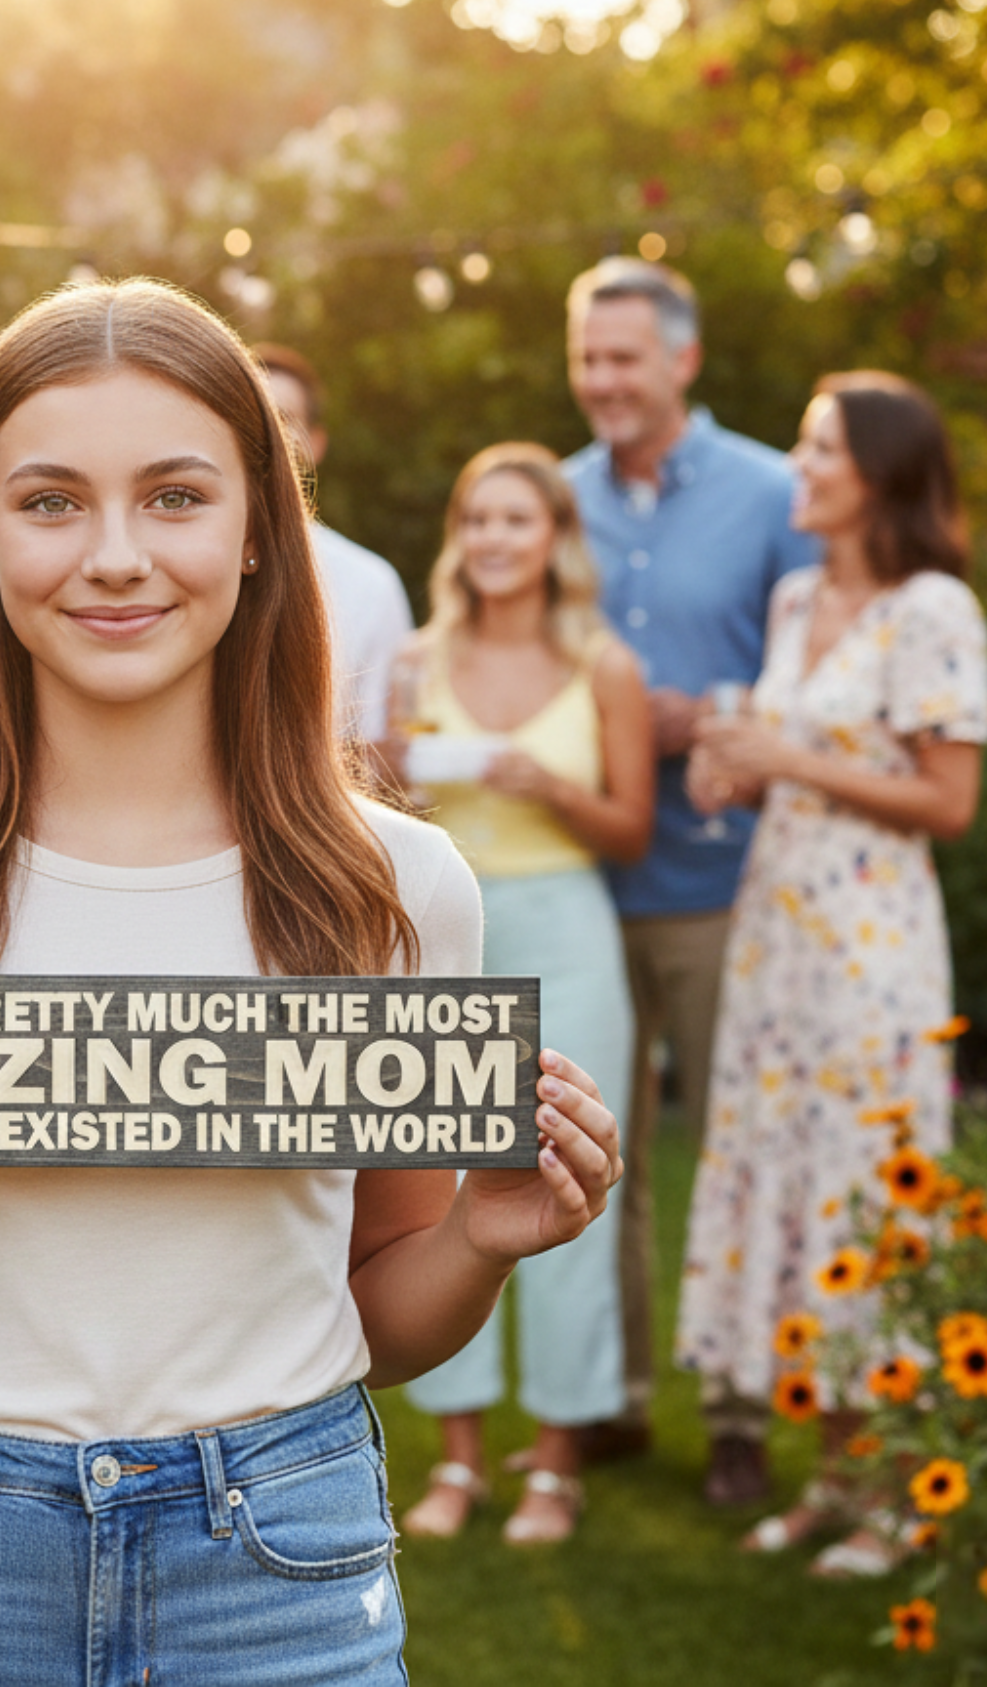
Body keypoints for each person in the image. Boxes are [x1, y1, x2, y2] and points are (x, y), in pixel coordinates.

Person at [0, 278, 624, 1686]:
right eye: (49, 502)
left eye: (173, 497)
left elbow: (390, 1312)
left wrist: (484, 1238)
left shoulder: (396, 889)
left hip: (281, 1563)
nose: (111, 557)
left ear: (262, 530)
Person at [678, 372, 987, 1575]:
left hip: (871, 951)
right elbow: (793, 752)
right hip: (778, 941)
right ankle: (834, 1481)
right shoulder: (796, 593)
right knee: (793, 1187)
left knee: (866, 1192)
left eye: (817, 450)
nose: (797, 466)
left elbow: (947, 799)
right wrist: (736, 770)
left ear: (878, 471)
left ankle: (902, 1492)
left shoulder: (932, 610)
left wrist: (786, 760)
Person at [563, 256, 817, 1503]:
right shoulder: (552, 501)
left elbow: (826, 669)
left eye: (621, 357)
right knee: (589, 1151)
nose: (600, 381)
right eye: (585, 358)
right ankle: (607, 1398)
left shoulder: (778, 492)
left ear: (680, 359)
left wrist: (701, 714)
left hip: (724, 884)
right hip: (582, 882)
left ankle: (736, 1414)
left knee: (734, 1148)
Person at [390, 444, 651, 1545]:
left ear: (553, 538)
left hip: (568, 929)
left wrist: (547, 783)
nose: (495, 538)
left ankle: (553, 1455)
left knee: (561, 1173)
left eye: (517, 519)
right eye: (478, 518)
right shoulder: (413, 660)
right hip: (450, 927)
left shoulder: (603, 665)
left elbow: (631, 829)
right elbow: (379, 805)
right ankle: (457, 1456)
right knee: (432, 1183)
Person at [251, 343, 414, 747]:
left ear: (317, 443)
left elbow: (380, 751)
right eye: (254, 417)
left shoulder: (371, 585)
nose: (269, 434)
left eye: (285, 419)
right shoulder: (171, 569)